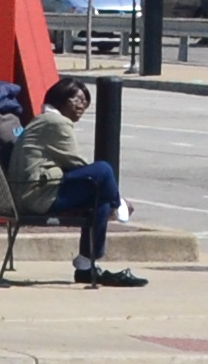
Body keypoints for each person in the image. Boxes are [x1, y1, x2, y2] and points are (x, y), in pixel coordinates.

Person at [10, 76, 143, 286]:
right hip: (37, 197)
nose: (82, 107)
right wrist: (118, 197)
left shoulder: (43, 119)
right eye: (78, 100)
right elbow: (79, 165)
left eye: (85, 103)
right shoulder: (57, 123)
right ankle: (118, 208)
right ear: (63, 99)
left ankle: (86, 266)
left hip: (28, 194)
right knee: (103, 170)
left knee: (100, 198)